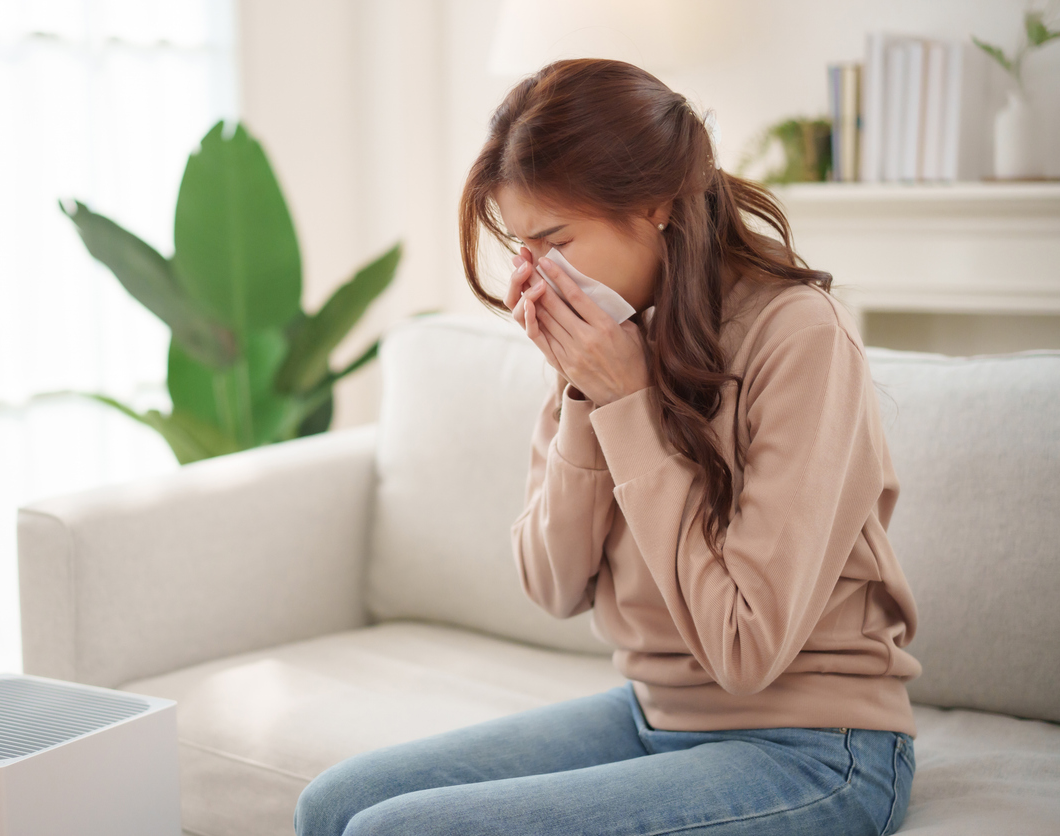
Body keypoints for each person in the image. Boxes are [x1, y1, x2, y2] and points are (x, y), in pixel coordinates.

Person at [294, 57, 921, 836]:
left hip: (819, 749)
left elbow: (745, 647)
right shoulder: (618, 331)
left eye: (552, 239)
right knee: (330, 806)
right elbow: (552, 584)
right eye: (520, 247)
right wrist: (587, 394)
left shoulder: (797, 336)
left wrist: (627, 404)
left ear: (656, 203)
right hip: (654, 714)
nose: (532, 275)